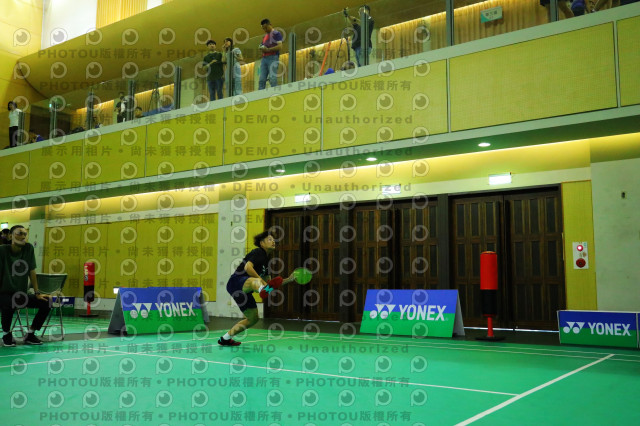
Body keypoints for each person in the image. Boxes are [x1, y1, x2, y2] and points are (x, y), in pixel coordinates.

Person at [218, 231, 295, 346]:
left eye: (274, 240)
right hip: (236, 282)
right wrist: (263, 283)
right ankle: (262, 289)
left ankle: (225, 339)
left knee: (253, 318)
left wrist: (289, 279)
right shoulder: (258, 252)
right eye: (270, 239)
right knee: (258, 281)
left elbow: (270, 284)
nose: (273, 241)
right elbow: (248, 267)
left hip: (245, 290)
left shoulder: (266, 262)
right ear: (262, 243)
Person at [0, 225, 51, 346]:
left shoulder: (28, 248)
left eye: (24, 234)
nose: (22, 236)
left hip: (21, 294)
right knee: (8, 304)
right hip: (3, 294)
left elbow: (32, 271)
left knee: (46, 302)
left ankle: (30, 334)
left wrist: (37, 293)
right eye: (19, 233)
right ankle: (6, 334)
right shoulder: (2, 250)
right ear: (11, 236)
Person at [258, 19, 283, 90]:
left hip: (273, 57)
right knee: (261, 79)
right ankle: (260, 94)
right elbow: (262, 46)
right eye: (263, 28)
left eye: (266, 28)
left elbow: (280, 46)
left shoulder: (276, 33)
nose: (265, 30)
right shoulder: (265, 37)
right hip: (264, 59)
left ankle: (274, 92)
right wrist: (261, 48)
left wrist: (268, 50)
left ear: (270, 25)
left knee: (272, 78)